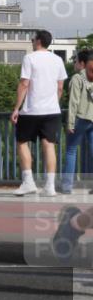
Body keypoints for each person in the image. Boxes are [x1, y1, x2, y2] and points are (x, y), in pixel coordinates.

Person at [12, 30, 67, 197]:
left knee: (22, 142)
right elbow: (60, 87)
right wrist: (53, 103)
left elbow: (24, 84)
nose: (31, 41)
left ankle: (29, 182)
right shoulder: (58, 60)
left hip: (31, 110)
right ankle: (50, 186)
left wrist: (16, 108)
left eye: (32, 38)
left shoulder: (30, 58)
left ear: (38, 41)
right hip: (52, 110)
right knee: (49, 145)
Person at [63, 50, 93, 194]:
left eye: (75, 61)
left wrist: (70, 123)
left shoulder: (77, 78)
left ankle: (67, 186)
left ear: (82, 63)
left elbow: (73, 102)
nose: (74, 63)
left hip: (80, 118)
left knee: (71, 150)